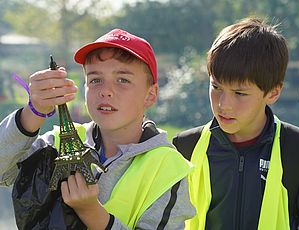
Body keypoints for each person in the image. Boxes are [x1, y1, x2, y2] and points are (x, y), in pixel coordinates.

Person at [0, 28, 195, 229]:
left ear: (151, 94)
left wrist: (92, 213)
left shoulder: (168, 169)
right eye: (95, 80)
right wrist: (34, 111)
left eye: (123, 80)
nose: (105, 91)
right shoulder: (56, 143)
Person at [173, 17, 299, 230]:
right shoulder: (184, 147)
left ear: (273, 92)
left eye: (240, 93)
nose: (223, 104)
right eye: (216, 87)